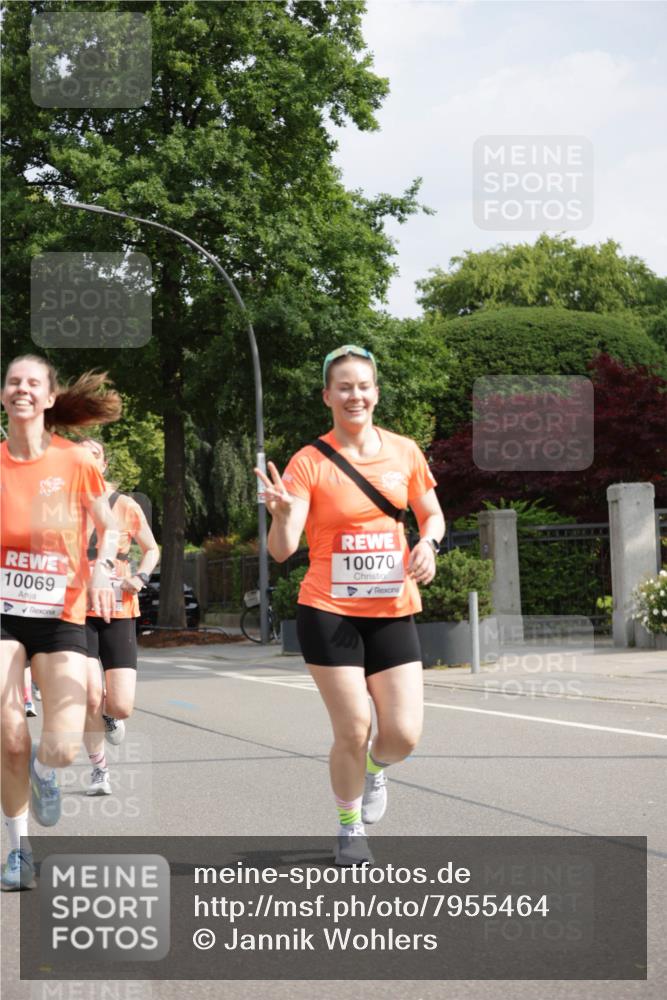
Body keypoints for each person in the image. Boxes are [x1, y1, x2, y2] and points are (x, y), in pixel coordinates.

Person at [255, 345, 445, 865]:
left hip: (392, 607)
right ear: (327, 396)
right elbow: (283, 549)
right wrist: (281, 514)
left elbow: (432, 516)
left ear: (376, 393)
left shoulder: (404, 452)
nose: (354, 394)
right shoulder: (307, 462)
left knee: (402, 735)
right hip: (328, 609)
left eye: (363, 385)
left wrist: (427, 544)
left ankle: (375, 770)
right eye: (344, 386)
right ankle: (349, 825)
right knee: (354, 726)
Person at [1, 356, 121, 890]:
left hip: (61, 611)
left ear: (49, 398)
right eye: (13, 382)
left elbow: (109, 526)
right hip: (3, 612)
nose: (22, 389)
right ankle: (19, 850)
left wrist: (101, 568)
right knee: (9, 737)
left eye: (33, 383)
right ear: (4, 396)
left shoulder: (75, 461)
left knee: (61, 745)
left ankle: (46, 774)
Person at [80, 438, 159, 796]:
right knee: (91, 695)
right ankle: (99, 769)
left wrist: (140, 577)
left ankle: (110, 716)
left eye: (93, 454)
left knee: (120, 705)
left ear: (104, 463)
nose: (87, 460)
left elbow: (152, 549)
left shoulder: (125, 505)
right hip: (77, 612)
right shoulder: (64, 506)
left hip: (120, 609)